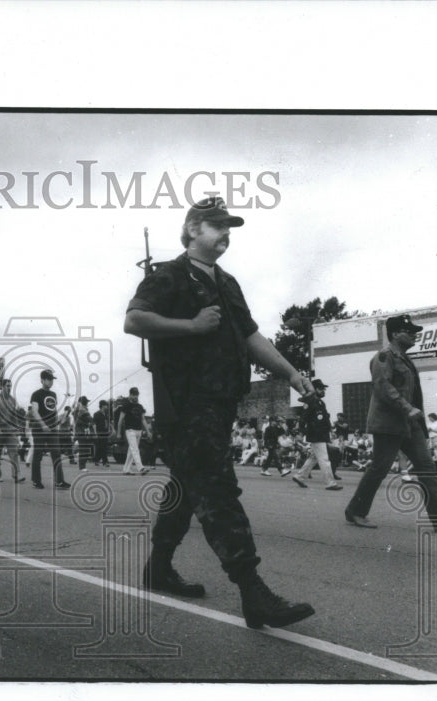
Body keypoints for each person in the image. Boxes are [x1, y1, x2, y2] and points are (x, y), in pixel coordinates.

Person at [124, 195, 316, 629]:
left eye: (229, 226)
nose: (226, 233)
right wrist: (190, 327)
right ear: (193, 230)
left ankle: (158, 568)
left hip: (219, 404)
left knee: (188, 490)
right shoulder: (169, 275)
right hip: (187, 405)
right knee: (217, 492)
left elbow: (250, 335)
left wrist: (291, 373)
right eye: (217, 226)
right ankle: (253, 592)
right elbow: (134, 320)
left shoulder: (226, 282)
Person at [344, 314, 437, 530]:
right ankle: (356, 511)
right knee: (379, 469)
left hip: (409, 424)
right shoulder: (383, 357)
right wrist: (408, 408)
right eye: (408, 332)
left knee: (427, 468)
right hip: (389, 424)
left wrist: (412, 414)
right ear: (394, 334)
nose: (414, 336)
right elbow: (383, 387)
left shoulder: (404, 359)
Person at [290, 379, 343, 491]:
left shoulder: (319, 402)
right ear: (314, 389)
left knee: (314, 457)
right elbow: (303, 419)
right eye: (320, 388)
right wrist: (300, 432)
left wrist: (330, 430)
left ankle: (299, 476)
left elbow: (325, 419)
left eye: (323, 389)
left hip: (321, 434)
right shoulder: (310, 402)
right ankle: (330, 483)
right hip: (316, 434)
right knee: (324, 459)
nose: (323, 391)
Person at [28, 369, 70, 491]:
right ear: (42, 380)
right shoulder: (36, 394)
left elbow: (53, 411)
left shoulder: (53, 395)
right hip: (39, 428)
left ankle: (59, 481)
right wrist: (43, 425)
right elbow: (34, 411)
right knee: (38, 454)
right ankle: (36, 481)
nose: (51, 381)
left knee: (57, 453)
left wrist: (59, 421)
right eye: (49, 379)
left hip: (52, 429)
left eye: (52, 379)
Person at [0, 377, 26, 482]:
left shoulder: (12, 400)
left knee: (14, 452)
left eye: (10, 386)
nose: (9, 388)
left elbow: (14, 415)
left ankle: (16, 475)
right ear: (2, 387)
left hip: (10, 430)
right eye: (7, 386)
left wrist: (17, 428)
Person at [117, 387, 150, 475]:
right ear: (130, 395)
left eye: (137, 395)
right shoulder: (126, 406)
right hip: (130, 430)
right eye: (134, 395)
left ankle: (126, 469)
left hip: (139, 431)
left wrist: (148, 431)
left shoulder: (140, 406)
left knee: (131, 451)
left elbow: (143, 419)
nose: (136, 396)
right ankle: (141, 468)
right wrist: (118, 433)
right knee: (135, 449)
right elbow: (120, 420)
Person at [72, 395, 95, 471]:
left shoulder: (78, 410)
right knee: (84, 449)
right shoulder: (83, 410)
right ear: (84, 402)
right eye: (86, 402)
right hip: (82, 432)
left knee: (84, 449)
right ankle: (82, 466)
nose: (87, 403)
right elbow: (90, 420)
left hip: (80, 431)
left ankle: (82, 466)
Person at [92, 400, 112, 467]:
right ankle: (105, 462)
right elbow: (94, 424)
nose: (107, 407)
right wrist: (95, 433)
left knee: (103, 447)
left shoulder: (106, 414)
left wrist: (109, 429)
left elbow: (107, 423)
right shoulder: (96, 414)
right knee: (101, 447)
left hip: (105, 432)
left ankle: (96, 460)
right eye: (106, 405)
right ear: (102, 405)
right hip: (99, 432)